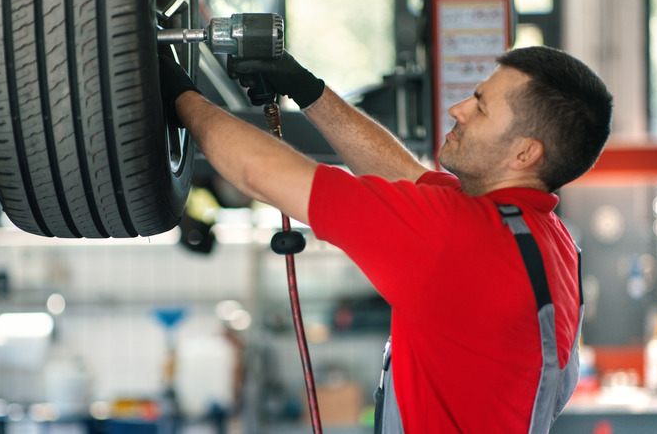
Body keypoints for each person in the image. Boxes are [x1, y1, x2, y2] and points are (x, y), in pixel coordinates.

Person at [159, 45, 613, 433]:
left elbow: (260, 173)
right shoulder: (541, 235)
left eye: (481, 105)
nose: (459, 110)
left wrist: (180, 95)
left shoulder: (456, 236)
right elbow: (405, 175)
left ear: (525, 152)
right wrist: (308, 90)